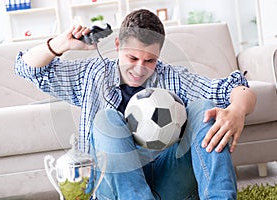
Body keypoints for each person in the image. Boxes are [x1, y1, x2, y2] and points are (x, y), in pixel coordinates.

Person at [15, 9, 256, 200]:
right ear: (118, 46)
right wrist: (61, 44)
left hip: (167, 180)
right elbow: (26, 69)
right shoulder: (92, 74)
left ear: (159, 55)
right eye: (132, 58)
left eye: (150, 60)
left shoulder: (171, 77)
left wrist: (237, 111)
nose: (140, 68)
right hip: (112, 188)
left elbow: (237, 88)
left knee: (204, 109)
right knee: (106, 119)